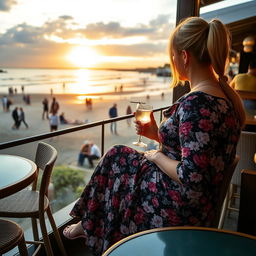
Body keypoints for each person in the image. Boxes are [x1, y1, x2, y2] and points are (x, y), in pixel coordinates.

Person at [63, 17, 245, 256]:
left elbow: (193, 176)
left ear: (184, 56)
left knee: (118, 156)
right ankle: (89, 225)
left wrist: (156, 155)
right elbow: (200, 151)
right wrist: (159, 136)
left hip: (179, 203)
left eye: (172, 57)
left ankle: (89, 226)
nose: (172, 62)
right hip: (199, 202)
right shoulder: (224, 99)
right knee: (121, 156)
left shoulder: (197, 103)